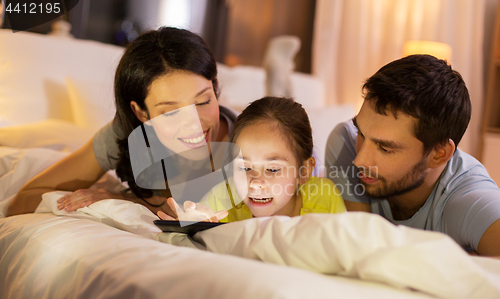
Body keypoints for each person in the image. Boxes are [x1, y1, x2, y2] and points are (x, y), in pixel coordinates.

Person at [7, 27, 237, 217]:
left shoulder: (251, 139)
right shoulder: (125, 134)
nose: (193, 124)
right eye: (170, 112)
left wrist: (129, 200)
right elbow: (25, 200)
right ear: (141, 113)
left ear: (215, 88)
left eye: (202, 102)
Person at [325, 54, 500, 256]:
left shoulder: (472, 202)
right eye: (362, 134)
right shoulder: (345, 141)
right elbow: (362, 247)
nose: (360, 161)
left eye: (385, 148)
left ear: (439, 155)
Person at [160, 97, 346, 222]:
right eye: (245, 168)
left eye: (272, 169)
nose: (255, 184)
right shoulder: (225, 195)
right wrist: (194, 228)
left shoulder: (324, 198)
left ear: (304, 172)